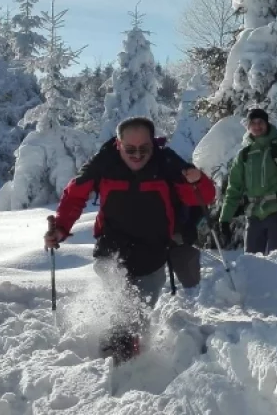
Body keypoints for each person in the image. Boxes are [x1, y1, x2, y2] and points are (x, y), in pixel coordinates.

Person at [43, 116, 216, 359]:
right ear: (119, 144)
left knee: (140, 313)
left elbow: (203, 197)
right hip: (111, 247)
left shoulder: (167, 162)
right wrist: (60, 228)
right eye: (130, 149)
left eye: (144, 148)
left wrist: (197, 180)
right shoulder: (104, 162)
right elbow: (74, 195)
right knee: (121, 303)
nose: (137, 155)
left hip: (153, 251)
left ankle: (135, 357)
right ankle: (113, 352)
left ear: (152, 145)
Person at [219, 108, 277, 255]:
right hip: (254, 214)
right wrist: (225, 218)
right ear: (248, 127)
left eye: (260, 122)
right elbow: (234, 188)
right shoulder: (244, 155)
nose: (257, 126)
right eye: (253, 123)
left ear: (267, 124)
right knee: (252, 262)